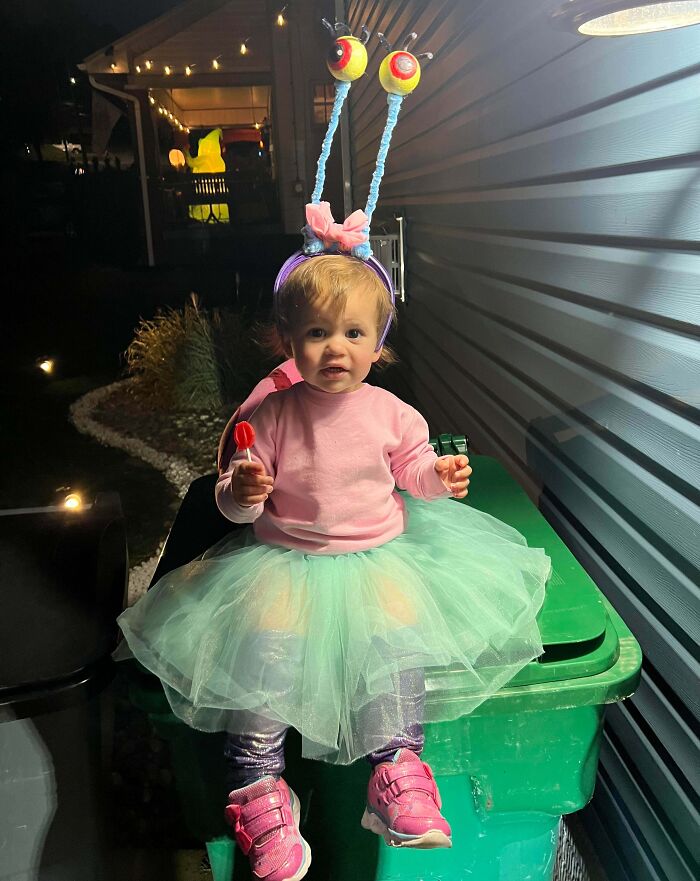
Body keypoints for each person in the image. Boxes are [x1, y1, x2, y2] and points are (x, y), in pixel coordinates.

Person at [116, 253, 551, 881]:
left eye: (354, 333)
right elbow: (232, 504)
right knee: (264, 647)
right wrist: (242, 493)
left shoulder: (392, 413)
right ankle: (261, 792)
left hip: (377, 557)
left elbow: (411, 471)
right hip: (284, 558)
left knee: (395, 636)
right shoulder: (270, 416)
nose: (336, 349)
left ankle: (396, 770)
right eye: (317, 333)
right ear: (288, 341)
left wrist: (440, 478)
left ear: (380, 344)